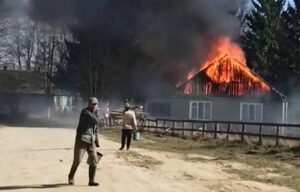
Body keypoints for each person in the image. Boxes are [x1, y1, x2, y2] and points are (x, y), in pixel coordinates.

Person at [68, 97, 100, 186]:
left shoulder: (95, 113)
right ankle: (71, 176)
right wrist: (97, 113)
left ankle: (91, 181)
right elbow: (96, 121)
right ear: (89, 104)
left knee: (94, 160)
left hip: (91, 141)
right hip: (81, 140)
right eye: (93, 104)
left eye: (96, 104)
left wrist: (96, 139)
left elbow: (96, 128)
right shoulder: (85, 112)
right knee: (77, 161)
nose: (94, 106)